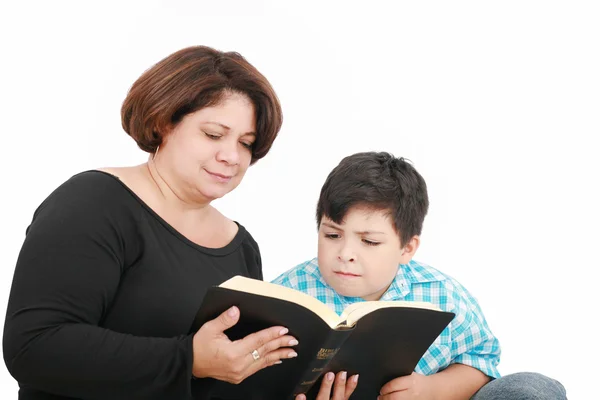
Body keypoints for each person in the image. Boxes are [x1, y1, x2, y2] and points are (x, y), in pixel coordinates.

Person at [2, 45, 355, 400]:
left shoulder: (241, 245)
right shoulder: (93, 203)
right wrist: (188, 359)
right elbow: (33, 346)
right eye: (214, 134)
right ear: (163, 121)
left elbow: (231, 381)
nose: (231, 156)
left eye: (246, 143)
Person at [273, 151, 567, 400]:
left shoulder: (442, 295)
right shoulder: (288, 291)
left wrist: (431, 388)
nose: (345, 252)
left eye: (370, 241)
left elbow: (481, 364)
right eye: (332, 234)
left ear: (407, 248)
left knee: (530, 387)